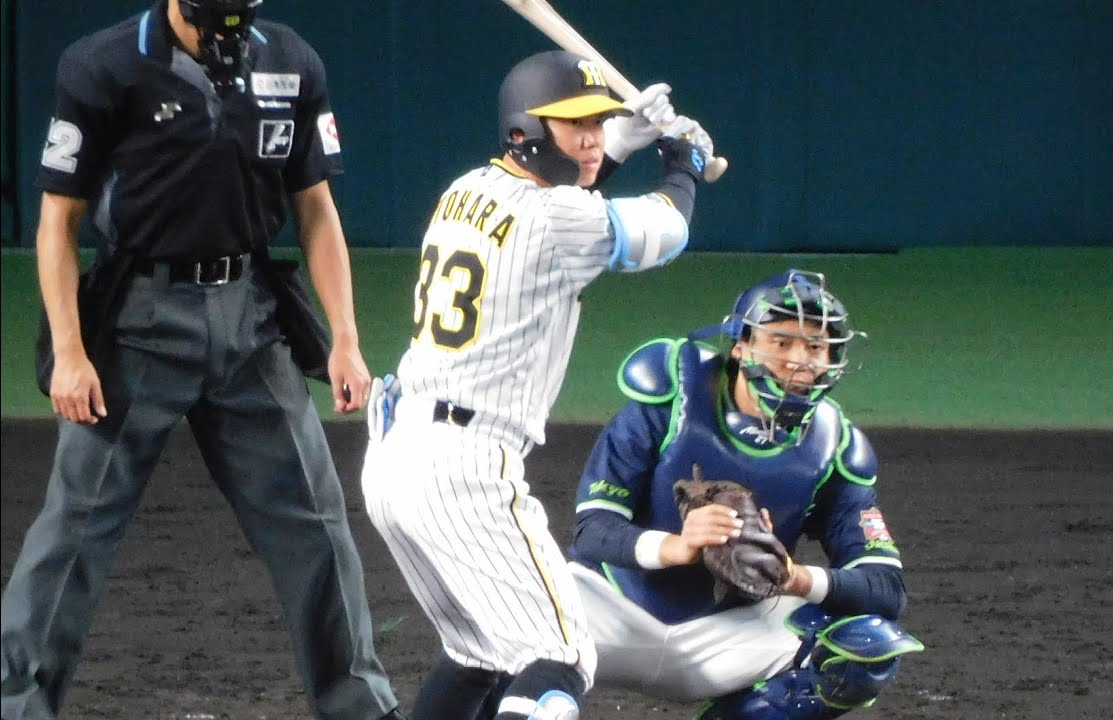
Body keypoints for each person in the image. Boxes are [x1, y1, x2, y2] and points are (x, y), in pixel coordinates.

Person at [1, 1, 406, 718]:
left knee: (317, 525)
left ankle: (362, 708)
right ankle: (17, 705)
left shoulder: (291, 59)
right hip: (139, 325)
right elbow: (58, 219)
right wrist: (69, 352)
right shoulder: (104, 64)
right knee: (74, 530)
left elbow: (315, 206)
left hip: (251, 322)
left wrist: (345, 337)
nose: (229, 30)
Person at [358, 50, 713, 720]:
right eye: (573, 125)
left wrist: (619, 142)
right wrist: (683, 164)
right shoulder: (557, 220)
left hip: (397, 458)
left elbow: (567, 201)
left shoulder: (465, 189)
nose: (590, 137)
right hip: (464, 467)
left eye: (596, 122)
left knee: (480, 654)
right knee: (561, 660)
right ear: (523, 130)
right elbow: (665, 230)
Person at [568, 269, 925, 719]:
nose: (800, 360)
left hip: (728, 633)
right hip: (611, 609)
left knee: (864, 649)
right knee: (505, 614)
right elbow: (592, 530)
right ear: (741, 346)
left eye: (816, 347)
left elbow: (886, 589)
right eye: (782, 342)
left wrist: (794, 577)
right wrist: (678, 546)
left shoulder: (835, 446)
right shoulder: (671, 399)